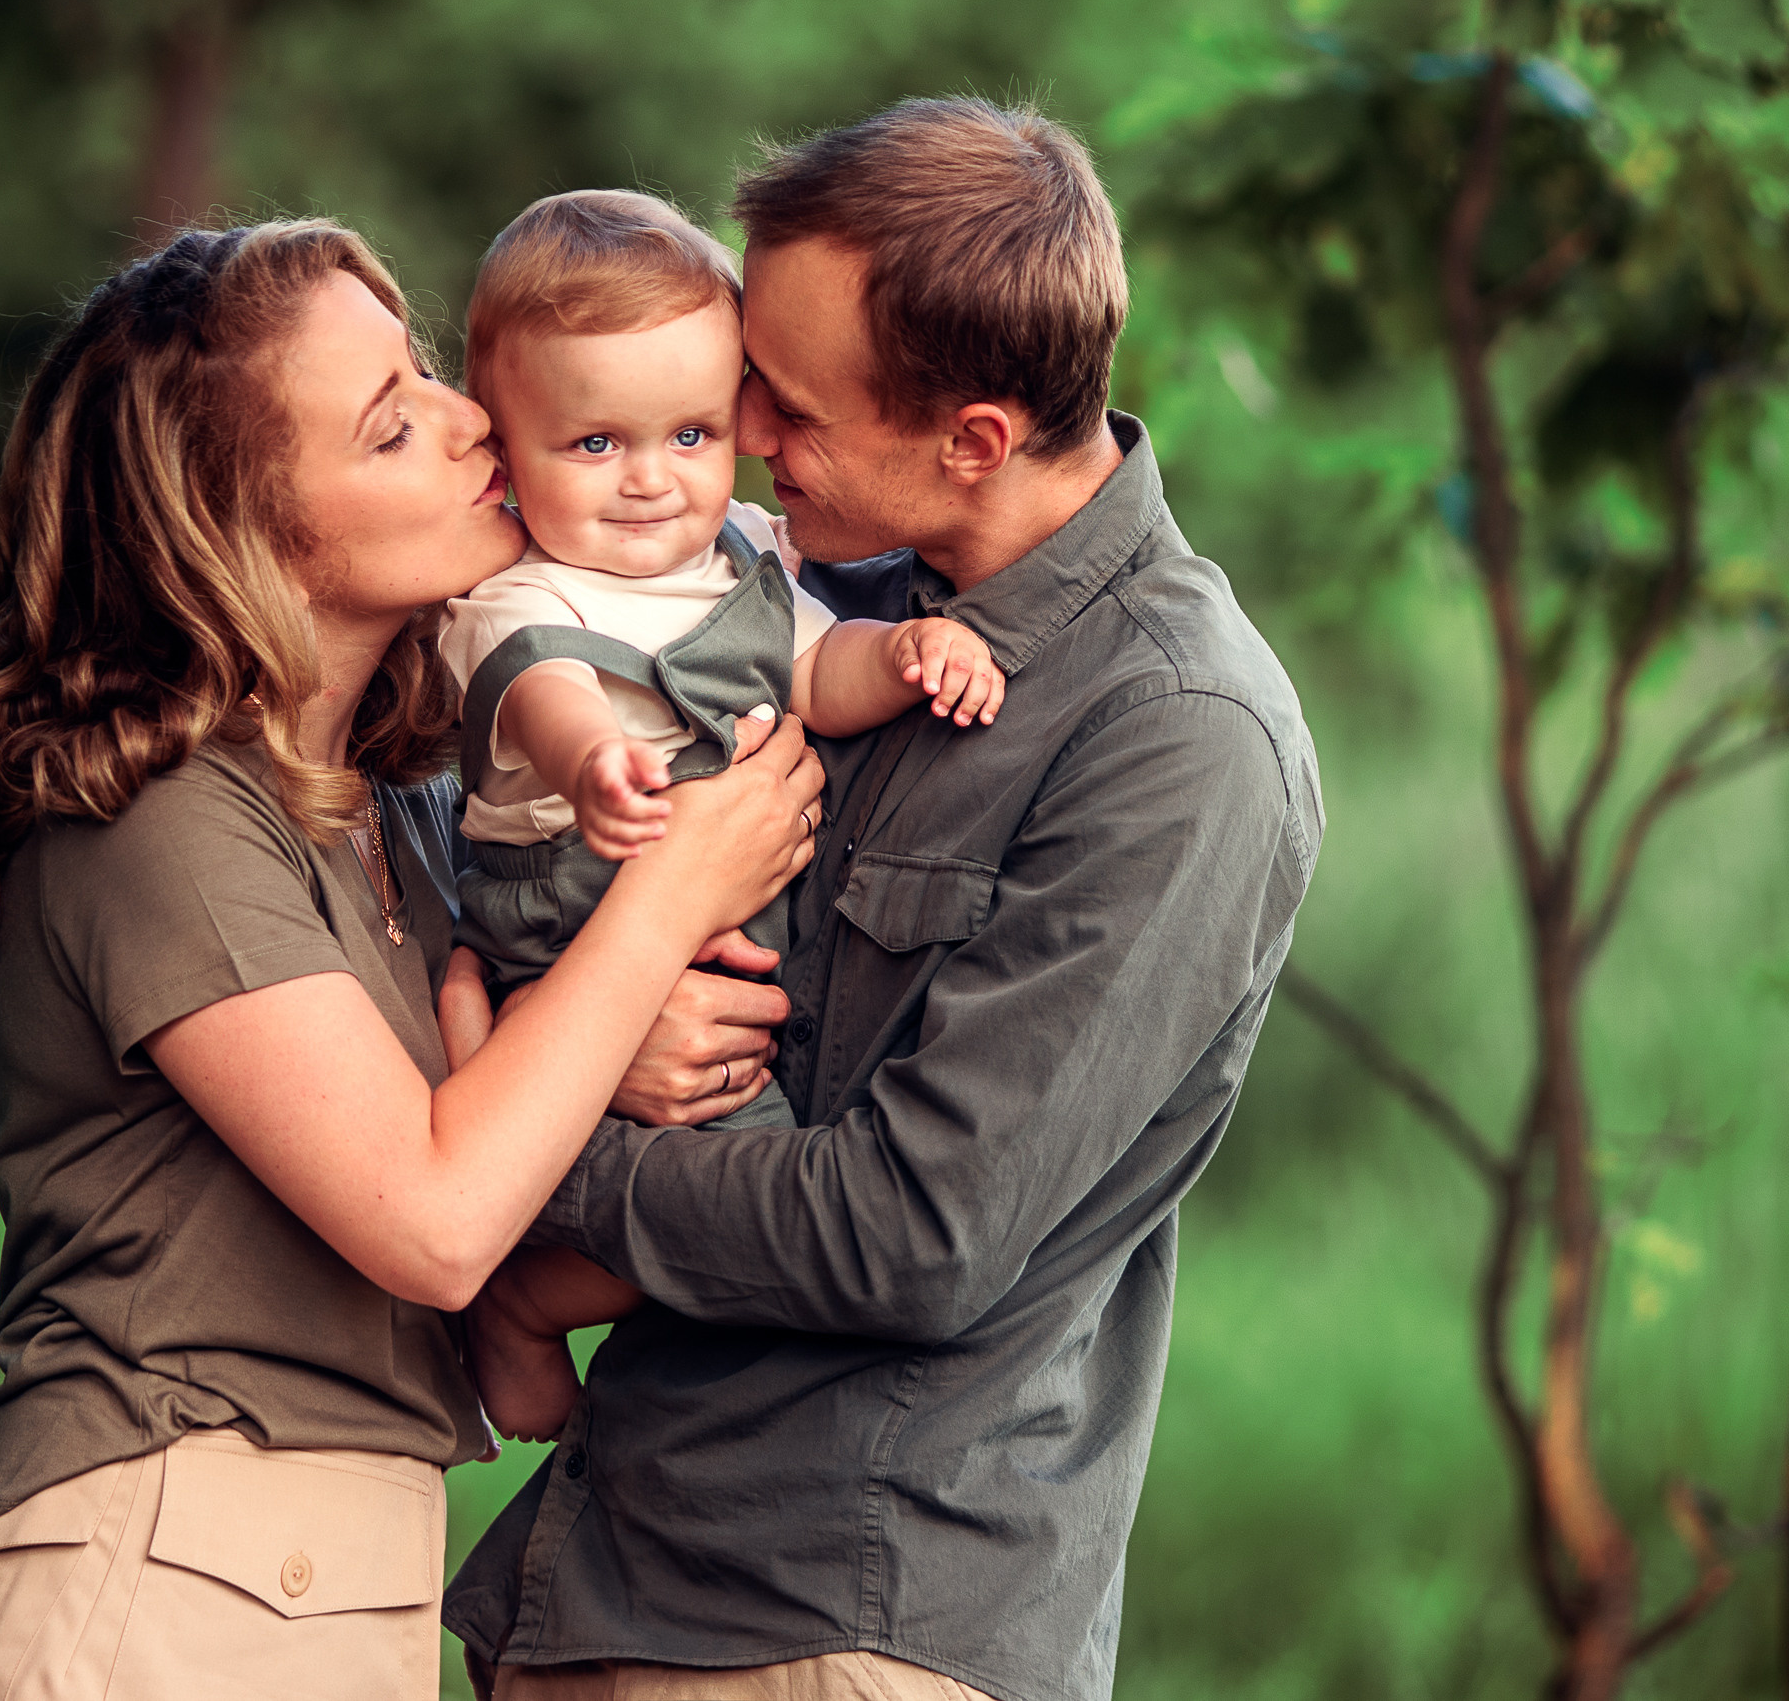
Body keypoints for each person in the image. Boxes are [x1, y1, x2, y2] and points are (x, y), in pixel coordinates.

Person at [0, 218, 825, 1701]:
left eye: (426, 370)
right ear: (244, 529)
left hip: (322, 1592)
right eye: (392, 424)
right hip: (145, 1582)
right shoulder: (159, 822)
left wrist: (604, 1039)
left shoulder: (406, 822)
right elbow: (432, 1219)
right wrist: (670, 892)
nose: (473, 417)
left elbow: (456, 1135)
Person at [445, 99, 1324, 1701]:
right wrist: (579, 1024)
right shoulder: (811, 586)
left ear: (973, 436)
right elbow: (497, 814)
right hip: (613, 1565)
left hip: (837, 1620)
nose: (748, 437)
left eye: (784, 403)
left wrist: (524, 1149)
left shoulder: (1177, 735)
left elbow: (916, 1232)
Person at [436, 190, 1002, 1441]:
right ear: (505, 452)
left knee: (744, 1156)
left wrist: (909, 651)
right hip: (576, 907)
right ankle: (523, 1305)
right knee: (730, 1182)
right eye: (594, 444)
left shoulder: (744, 553)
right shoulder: (517, 590)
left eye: (690, 433)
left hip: (719, 929)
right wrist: (594, 766)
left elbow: (818, 672)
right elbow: (540, 693)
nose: (650, 481)